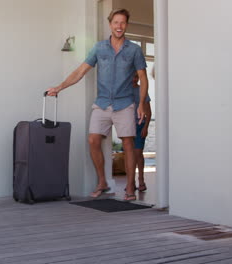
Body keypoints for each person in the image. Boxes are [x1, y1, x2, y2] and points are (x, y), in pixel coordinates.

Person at [46, 8, 149, 200]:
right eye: (116, 22)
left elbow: (143, 77)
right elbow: (80, 71)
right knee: (93, 140)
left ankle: (129, 187)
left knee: (128, 144)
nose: (119, 26)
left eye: (123, 23)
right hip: (102, 103)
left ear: (126, 25)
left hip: (125, 103)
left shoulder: (134, 50)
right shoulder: (99, 48)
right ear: (110, 24)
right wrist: (59, 87)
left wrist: (141, 104)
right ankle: (102, 181)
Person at [131, 73, 152, 198]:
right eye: (132, 76)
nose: (134, 79)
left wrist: (146, 127)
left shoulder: (142, 90)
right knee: (130, 155)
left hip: (140, 126)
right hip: (127, 126)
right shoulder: (124, 91)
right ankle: (131, 182)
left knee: (138, 154)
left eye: (136, 77)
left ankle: (141, 181)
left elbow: (148, 111)